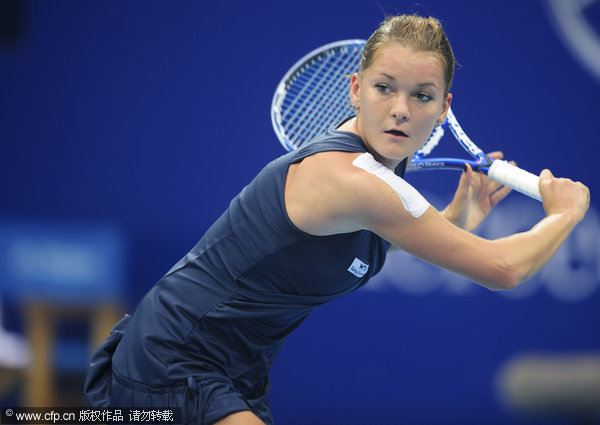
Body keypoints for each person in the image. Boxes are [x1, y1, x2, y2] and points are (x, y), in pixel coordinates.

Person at [84, 13, 589, 425]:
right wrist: (565, 215)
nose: (400, 110)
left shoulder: (377, 182)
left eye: (422, 95)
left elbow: (391, 241)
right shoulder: (351, 181)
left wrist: (460, 215)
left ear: (443, 106)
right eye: (384, 88)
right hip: (172, 363)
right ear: (355, 88)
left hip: (230, 371)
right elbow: (504, 268)